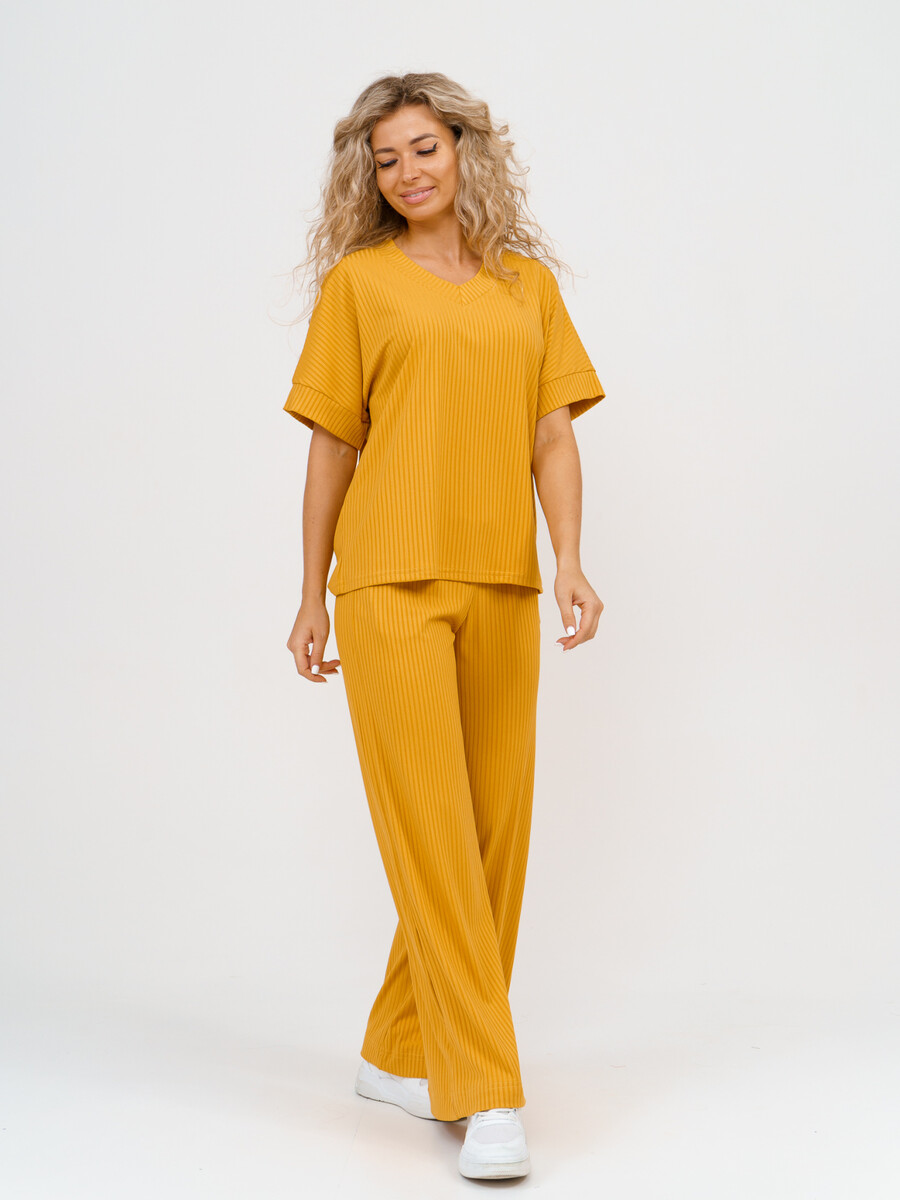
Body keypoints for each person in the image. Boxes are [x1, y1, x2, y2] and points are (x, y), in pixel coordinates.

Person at [282, 71, 605, 1181]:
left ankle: (397, 1050)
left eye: (424, 147)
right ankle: (485, 1090)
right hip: (386, 585)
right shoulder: (359, 285)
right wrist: (310, 591)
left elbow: (553, 435)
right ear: (369, 179)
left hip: (504, 581)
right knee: (432, 834)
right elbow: (332, 443)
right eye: (386, 160)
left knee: (492, 838)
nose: (407, 172)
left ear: (467, 149)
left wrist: (569, 560)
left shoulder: (528, 287)